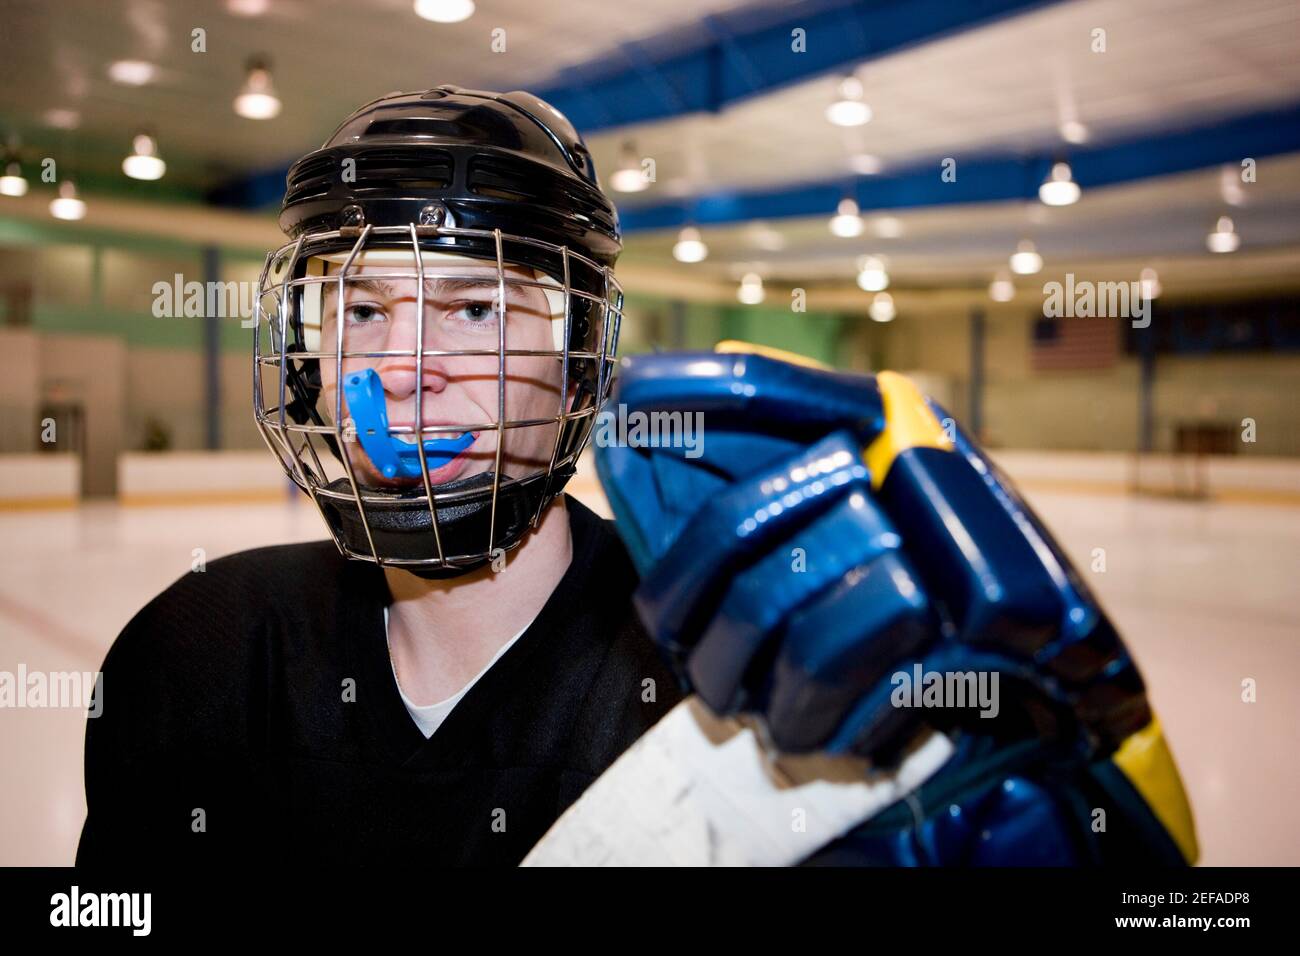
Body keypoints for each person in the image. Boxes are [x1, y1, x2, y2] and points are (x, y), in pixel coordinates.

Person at [78, 86, 1196, 868]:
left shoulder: (736, 675)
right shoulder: (192, 656)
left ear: (577, 358)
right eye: (365, 309)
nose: (404, 372)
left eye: (474, 308)